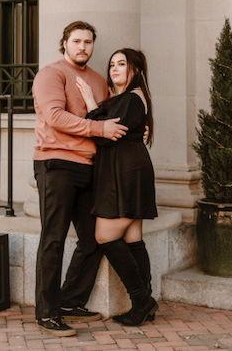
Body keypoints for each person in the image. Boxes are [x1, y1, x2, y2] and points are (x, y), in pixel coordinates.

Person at [32, 21, 129, 337]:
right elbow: (55, 117)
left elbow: (108, 118)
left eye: (88, 42)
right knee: (54, 239)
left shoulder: (99, 81)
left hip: (90, 167)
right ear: (65, 43)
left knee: (93, 238)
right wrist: (99, 129)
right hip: (56, 163)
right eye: (76, 41)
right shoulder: (51, 74)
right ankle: (46, 313)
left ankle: (70, 300)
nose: (83, 47)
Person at [75, 48, 158, 326]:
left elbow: (104, 136)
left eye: (122, 64)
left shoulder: (132, 99)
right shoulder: (127, 99)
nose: (114, 68)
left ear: (136, 69)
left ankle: (141, 301)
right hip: (127, 170)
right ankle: (145, 302)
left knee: (105, 236)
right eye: (112, 64)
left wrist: (90, 102)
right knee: (133, 239)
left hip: (126, 173)